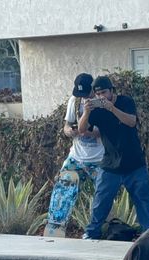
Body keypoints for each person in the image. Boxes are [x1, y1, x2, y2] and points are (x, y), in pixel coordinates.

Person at [78, 75, 149, 239]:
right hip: (110, 163)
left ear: (112, 90)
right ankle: (92, 233)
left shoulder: (126, 102)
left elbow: (131, 121)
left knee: (143, 201)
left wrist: (112, 108)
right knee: (101, 201)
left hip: (134, 163)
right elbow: (82, 129)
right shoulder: (96, 110)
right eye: (98, 94)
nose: (101, 97)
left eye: (104, 93)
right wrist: (86, 112)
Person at [43, 73, 104, 236]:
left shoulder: (102, 103)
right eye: (80, 94)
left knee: (103, 195)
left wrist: (87, 132)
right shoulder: (74, 100)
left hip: (99, 159)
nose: (83, 98)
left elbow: (105, 132)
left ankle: (102, 229)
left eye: (86, 94)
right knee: (63, 187)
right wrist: (70, 131)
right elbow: (66, 126)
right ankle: (55, 226)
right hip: (76, 156)